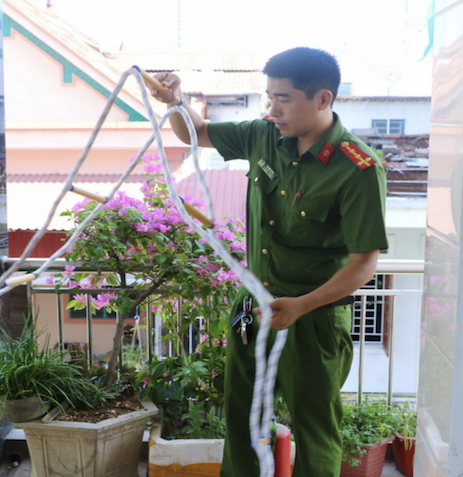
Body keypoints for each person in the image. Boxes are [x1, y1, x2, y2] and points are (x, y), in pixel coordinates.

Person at [147, 47, 388, 477]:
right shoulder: (263, 136)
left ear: (322, 99)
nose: (272, 108)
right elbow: (195, 133)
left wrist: (302, 305)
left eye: (284, 98)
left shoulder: (358, 168)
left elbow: (363, 264)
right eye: (268, 96)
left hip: (312, 318)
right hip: (251, 307)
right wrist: (176, 101)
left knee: (315, 430)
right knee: (242, 415)